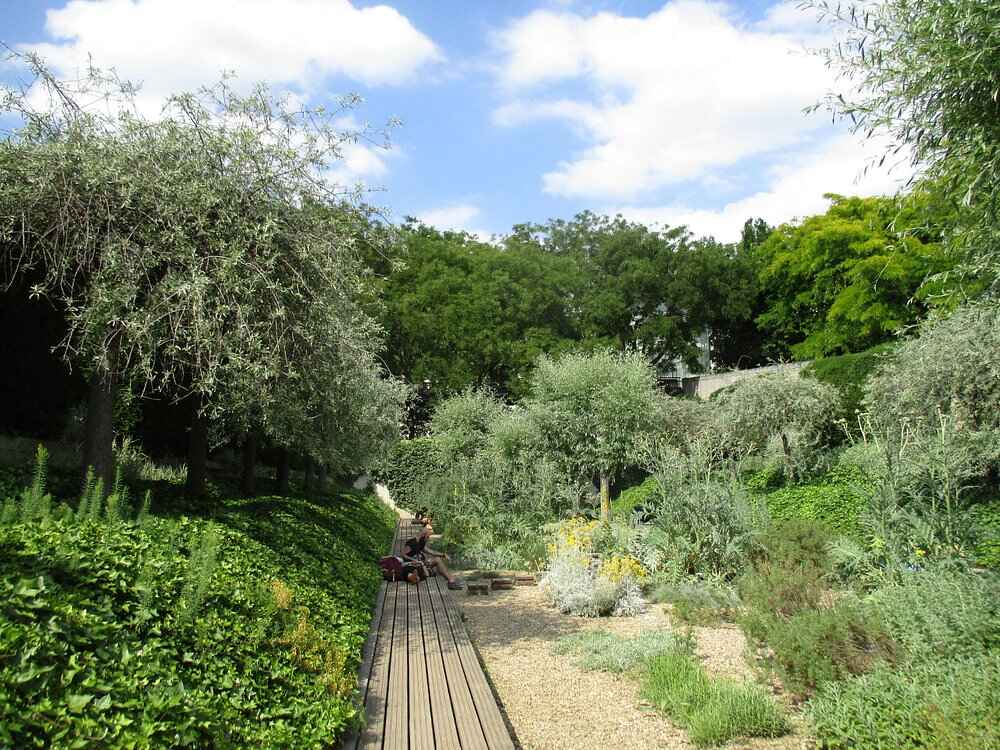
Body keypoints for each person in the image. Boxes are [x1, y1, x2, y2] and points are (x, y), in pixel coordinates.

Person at [402, 524, 463, 589]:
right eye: (427, 537)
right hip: (412, 565)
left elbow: (431, 552)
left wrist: (443, 554)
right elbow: (403, 555)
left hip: (421, 563)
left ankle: (451, 580)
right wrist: (414, 560)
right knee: (435, 565)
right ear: (423, 535)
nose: (428, 539)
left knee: (437, 559)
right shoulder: (411, 543)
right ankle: (450, 580)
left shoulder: (421, 542)